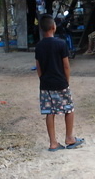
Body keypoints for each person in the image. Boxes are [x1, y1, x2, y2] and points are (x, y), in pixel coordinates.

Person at [35, 14, 84, 151]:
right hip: (61, 83)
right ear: (53, 27)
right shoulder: (61, 44)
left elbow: (38, 67)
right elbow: (66, 66)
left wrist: (43, 79)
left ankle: (53, 143)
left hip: (45, 84)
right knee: (69, 109)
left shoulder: (39, 46)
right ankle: (69, 138)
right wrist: (66, 81)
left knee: (49, 112)